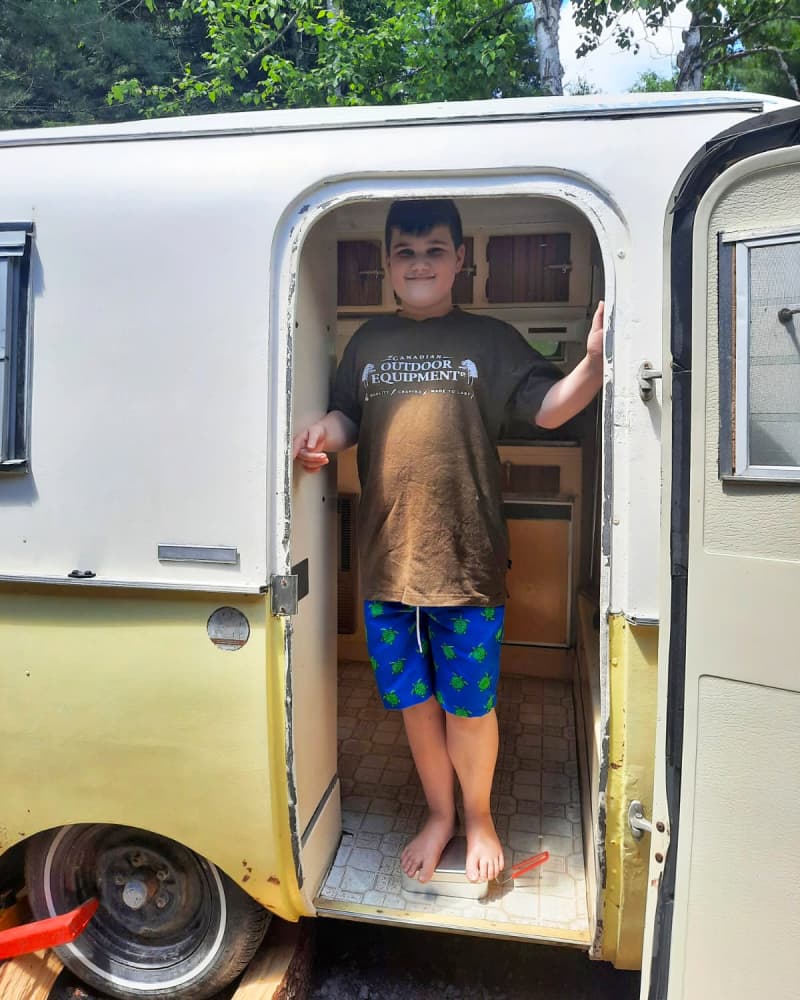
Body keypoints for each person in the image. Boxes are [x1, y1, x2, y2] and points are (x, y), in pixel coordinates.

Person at [293, 199, 604, 885]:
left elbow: (550, 409)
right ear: (387, 266)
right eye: (405, 252)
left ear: (460, 259)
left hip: (466, 563)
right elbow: (349, 415)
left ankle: (481, 817)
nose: (420, 263)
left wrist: (595, 363)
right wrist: (323, 433)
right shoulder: (367, 342)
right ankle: (439, 815)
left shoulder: (491, 340)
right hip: (385, 565)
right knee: (414, 705)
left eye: (435, 249)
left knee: (469, 707)